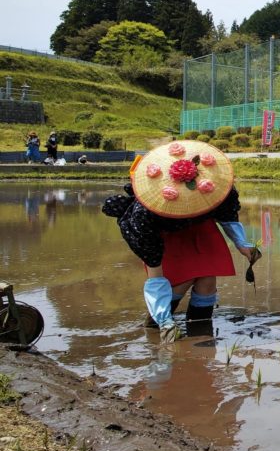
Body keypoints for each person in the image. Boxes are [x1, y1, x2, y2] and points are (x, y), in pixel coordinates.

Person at [102, 140, 258, 340]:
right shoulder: (145, 217)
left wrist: (242, 243)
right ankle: (157, 323)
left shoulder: (210, 188)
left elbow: (226, 212)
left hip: (202, 230)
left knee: (207, 280)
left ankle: (201, 338)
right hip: (167, 238)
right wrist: (164, 320)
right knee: (181, 282)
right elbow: (155, 277)